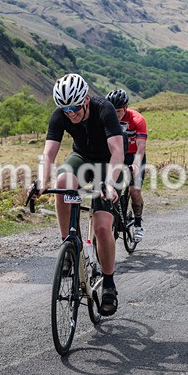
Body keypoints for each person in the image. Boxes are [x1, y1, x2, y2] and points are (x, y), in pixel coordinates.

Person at [38, 73, 125, 316]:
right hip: (82, 158)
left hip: (108, 164)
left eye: (75, 107)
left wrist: (109, 183)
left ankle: (108, 284)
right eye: (65, 109)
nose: (71, 114)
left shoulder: (104, 109)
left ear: (86, 99)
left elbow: (117, 151)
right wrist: (41, 180)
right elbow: (48, 154)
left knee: (101, 226)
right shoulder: (61, 114)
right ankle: (69, 244)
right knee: (63, 181)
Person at [106, 88, 148, 242]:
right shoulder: (107, 119)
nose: (115, 115)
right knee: (110, 189)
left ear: (125, 107)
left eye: (117, 111)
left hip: (134, 155)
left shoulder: (137, 119)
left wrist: (136, 165)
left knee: (134, 191)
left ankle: (137, 224)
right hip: (117, 156)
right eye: (112, 111)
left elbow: (141, 147)